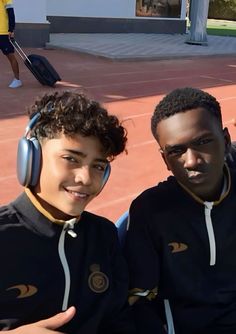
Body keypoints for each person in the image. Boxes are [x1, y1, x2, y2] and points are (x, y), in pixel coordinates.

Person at [0, 91, 135, 334]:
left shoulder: (103, 235)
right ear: (32, 158)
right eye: (70, 159)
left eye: (98, 166)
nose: (85, 178)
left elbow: (119, 320)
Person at [124, 87, 236, 334]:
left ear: (226, 140)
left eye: (204, 142)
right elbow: (140, 300)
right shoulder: (150, 211)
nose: (192, 160)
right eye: (176, 151)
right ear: (165, 160)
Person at [0, 0, 22, 88]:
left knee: (10, 56)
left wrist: (11, 29)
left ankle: (17, 80)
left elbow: (11, 13)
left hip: (3, 33)